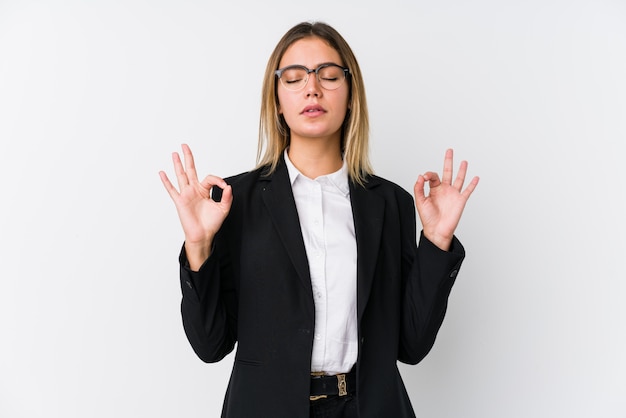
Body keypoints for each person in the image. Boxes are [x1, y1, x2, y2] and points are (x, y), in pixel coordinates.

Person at [159, 21, 479, 418]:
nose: (312, 88)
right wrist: (198, 246)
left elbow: (412, 346)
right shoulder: (232, 202)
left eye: (329, 75)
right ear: (276, 100)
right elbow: (210, 345)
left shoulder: (391, 203)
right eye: (294, 78)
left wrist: (437, 241)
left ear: (350, 95)